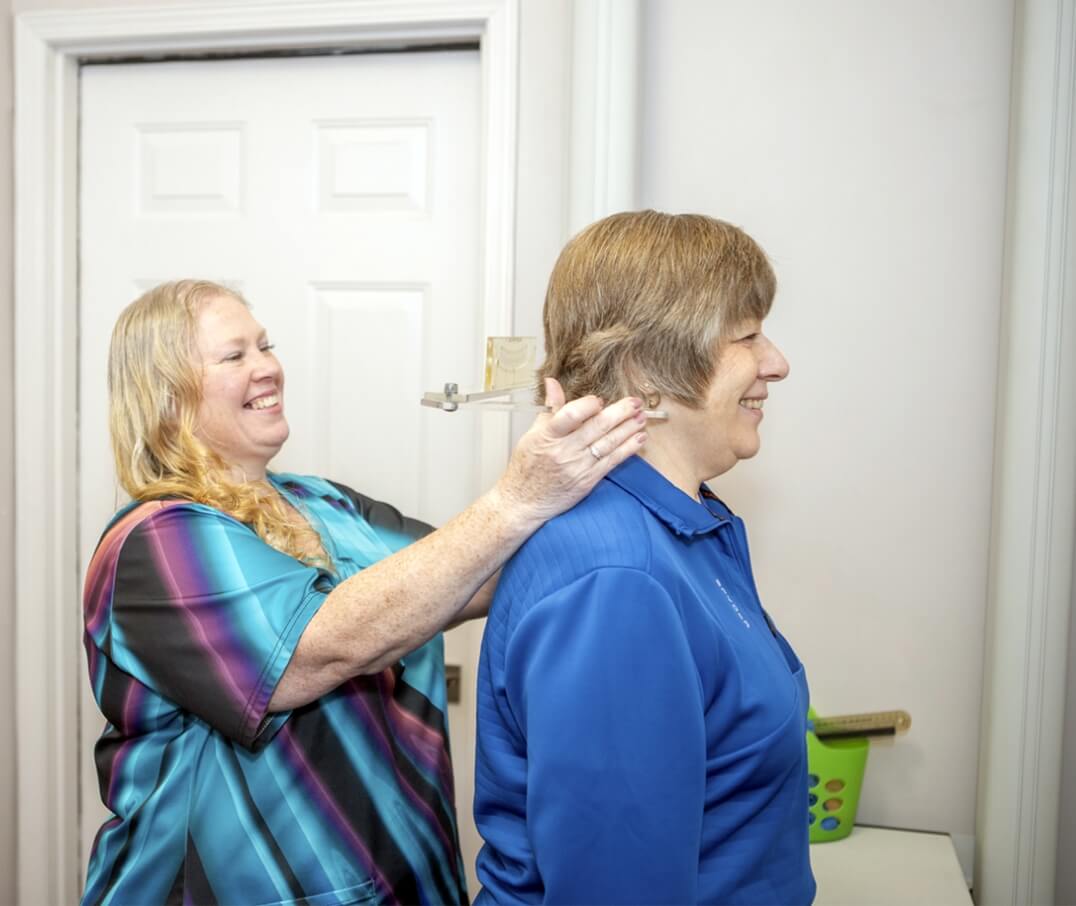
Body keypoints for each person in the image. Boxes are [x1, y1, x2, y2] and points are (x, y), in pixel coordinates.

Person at [81, 279, 648, 906]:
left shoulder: (323, 501)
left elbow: (473, 575)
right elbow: (314, 652)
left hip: (407, 881)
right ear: (166, 395)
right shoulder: (153, 543)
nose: (268, 367)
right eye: (234, 356)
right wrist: (517, 496)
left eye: (264, 345)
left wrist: (583, 462)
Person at [473, 211, 815, 905]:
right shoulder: (618, 582)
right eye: (746, 336)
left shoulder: (686, 529)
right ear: (646, 372)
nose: (776, 361)